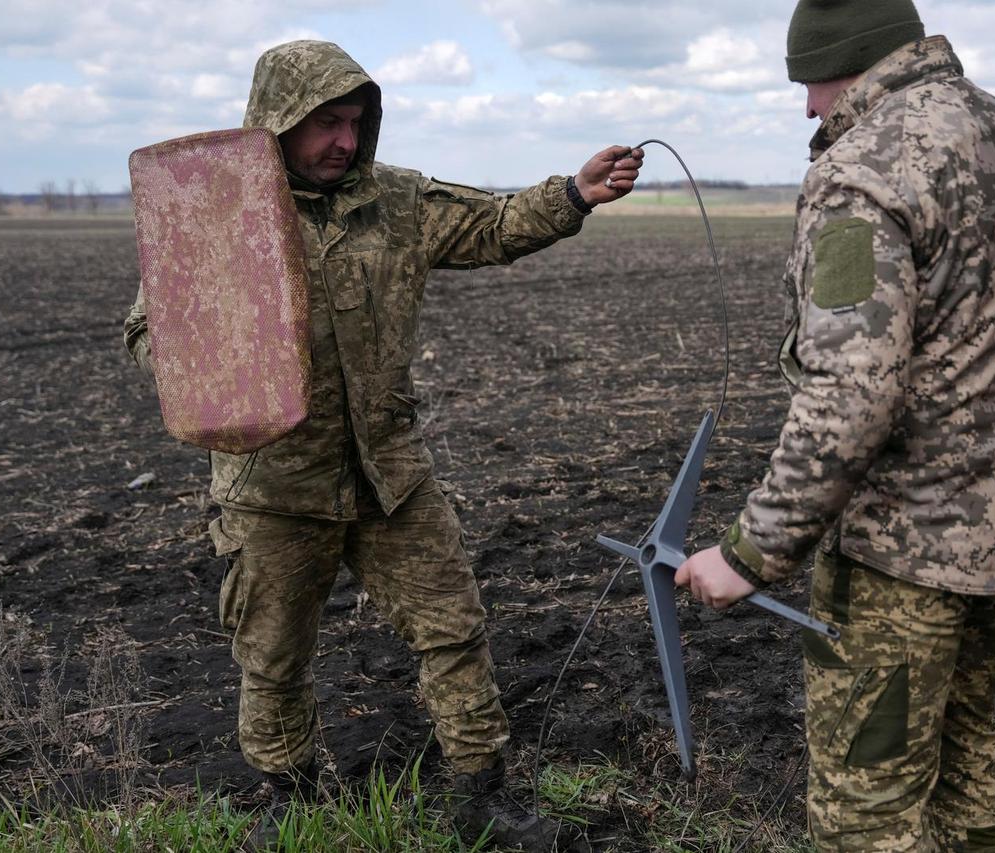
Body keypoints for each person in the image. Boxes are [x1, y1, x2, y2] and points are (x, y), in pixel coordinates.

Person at [124, 39, 643, 852]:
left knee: (454, 629)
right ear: (277, 120)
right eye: (325, 122)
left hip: (389, 473)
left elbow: (493, 224)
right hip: (274, 483)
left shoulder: (395, 199)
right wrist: (212, 369)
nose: (343, 140)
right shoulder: (218, 211)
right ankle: (290, 801)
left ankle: (481, 797)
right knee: (272, 655)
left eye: (354, 122)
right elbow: (151, 328)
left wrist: (574, 193)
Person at [674, 1, 995, 850]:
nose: (808, 107)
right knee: (968, 757)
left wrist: (750, 553)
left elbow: (851, 391)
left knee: (865, 808)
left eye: (813, 82)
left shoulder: (863, 170)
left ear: (856, 61)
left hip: (897, 557)